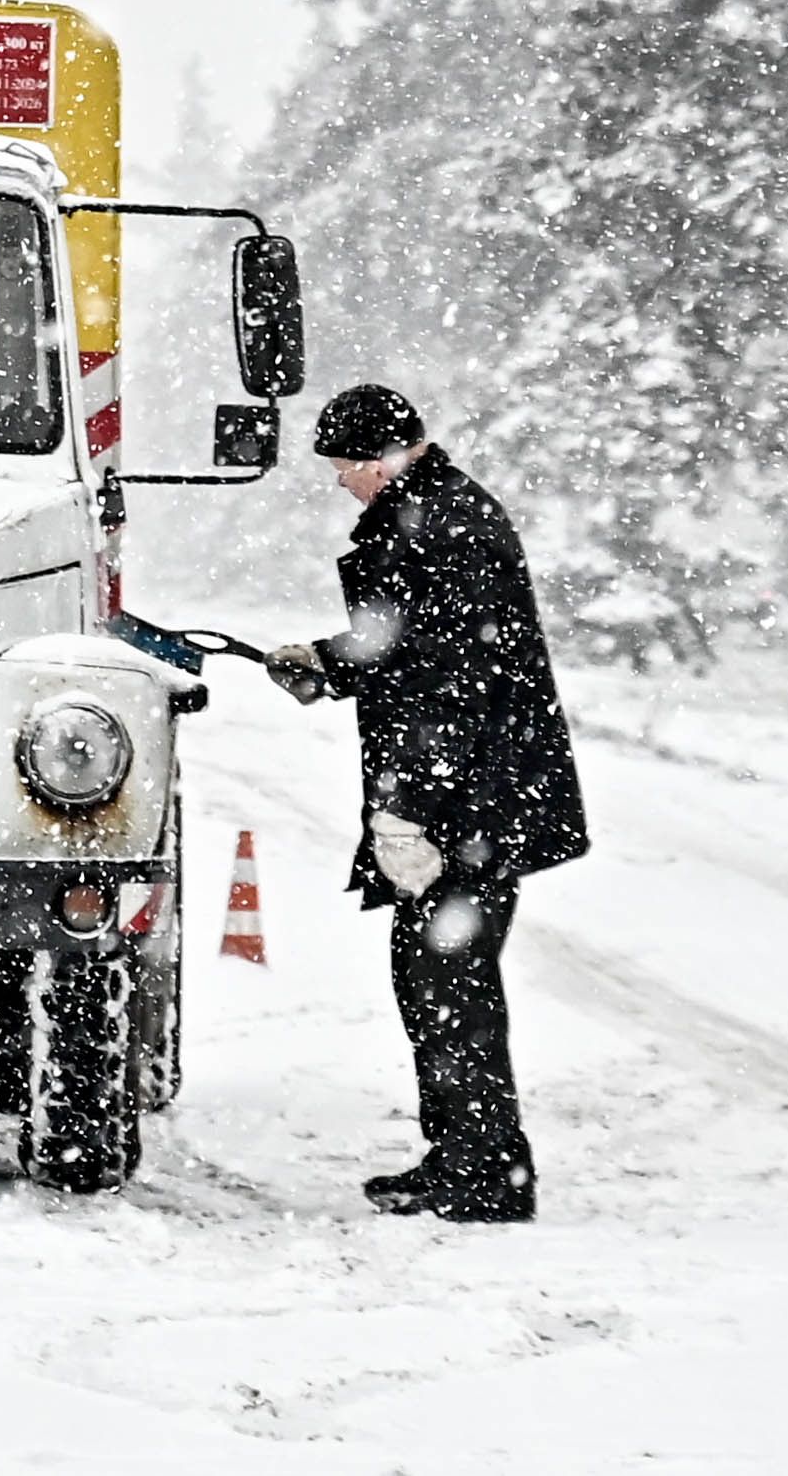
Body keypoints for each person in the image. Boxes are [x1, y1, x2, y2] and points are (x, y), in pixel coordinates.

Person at [261, 383, 588, 1222]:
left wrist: (409, 812)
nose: (340, 481)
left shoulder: (442, 524)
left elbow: (449, 680)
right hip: (472, 795)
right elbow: (411, 646)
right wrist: (330, 663)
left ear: (378, 458)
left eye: (343, 466)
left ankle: (485, 1176)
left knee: (449, 981)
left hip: (471, 803)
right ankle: (465, 1160)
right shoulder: (433, 513)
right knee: (434, 977)